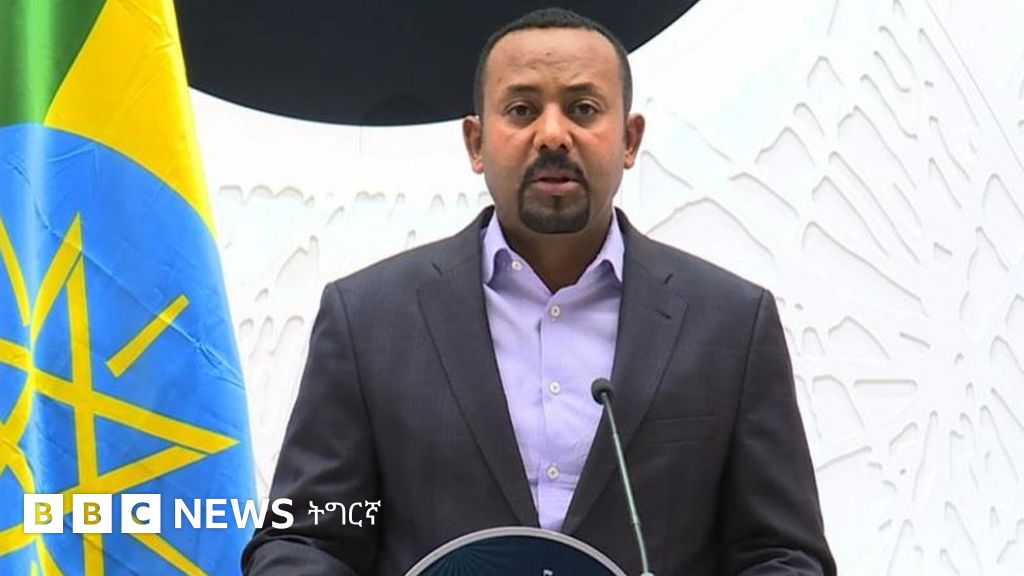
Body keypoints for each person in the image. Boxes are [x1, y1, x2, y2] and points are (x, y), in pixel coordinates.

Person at [242, 8, 836, 575]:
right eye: (522, 110)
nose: (553, 135)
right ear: (476, 143)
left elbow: (781, 553)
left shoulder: (730, 324)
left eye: (583, 109)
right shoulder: (369, 320)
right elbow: (308, 538)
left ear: (630, 140)